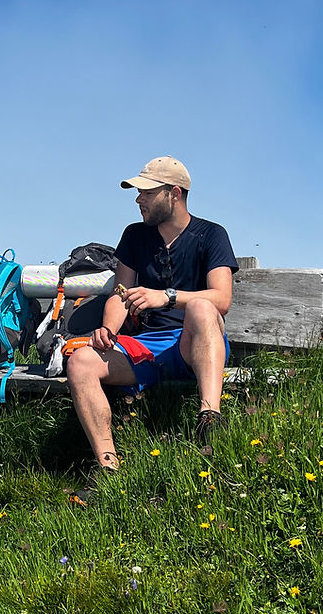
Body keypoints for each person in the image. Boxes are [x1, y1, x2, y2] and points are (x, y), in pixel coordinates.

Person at [66, 156, 238, 477]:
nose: (138, 199)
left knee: (201, 307)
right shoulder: (134, 235)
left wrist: (167, 297)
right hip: (147, 347)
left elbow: (222, 299)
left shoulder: (211, 234)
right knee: (79, 362)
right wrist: (108, 328)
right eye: (138, 192)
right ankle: (108, 468)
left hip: (196, 344)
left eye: (147, 192)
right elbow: (121, 293)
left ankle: (209, 418)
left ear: (174, 193)